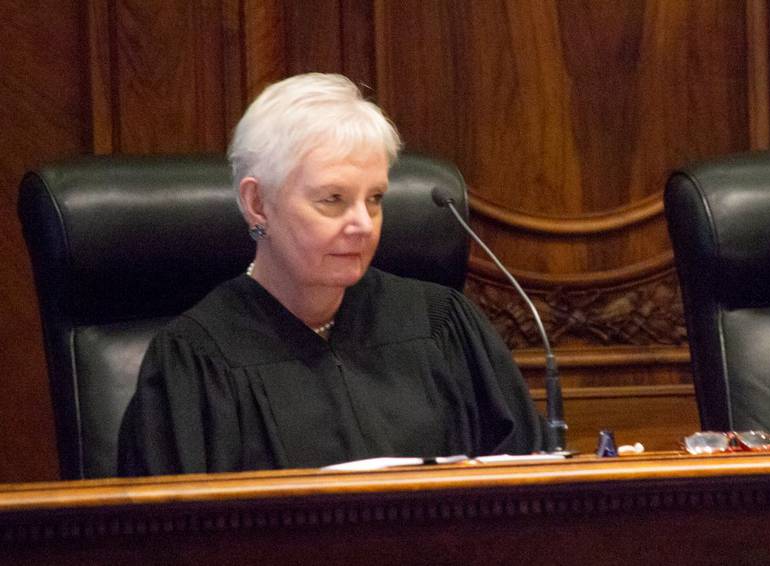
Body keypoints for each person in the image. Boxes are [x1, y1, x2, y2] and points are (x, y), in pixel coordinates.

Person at [118, 73, 544, 476]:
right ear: (258, 203)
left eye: (374, 198)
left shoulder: (443, 325)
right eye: (333, 200)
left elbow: (531, 491)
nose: (363, 223)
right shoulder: (193, 364)